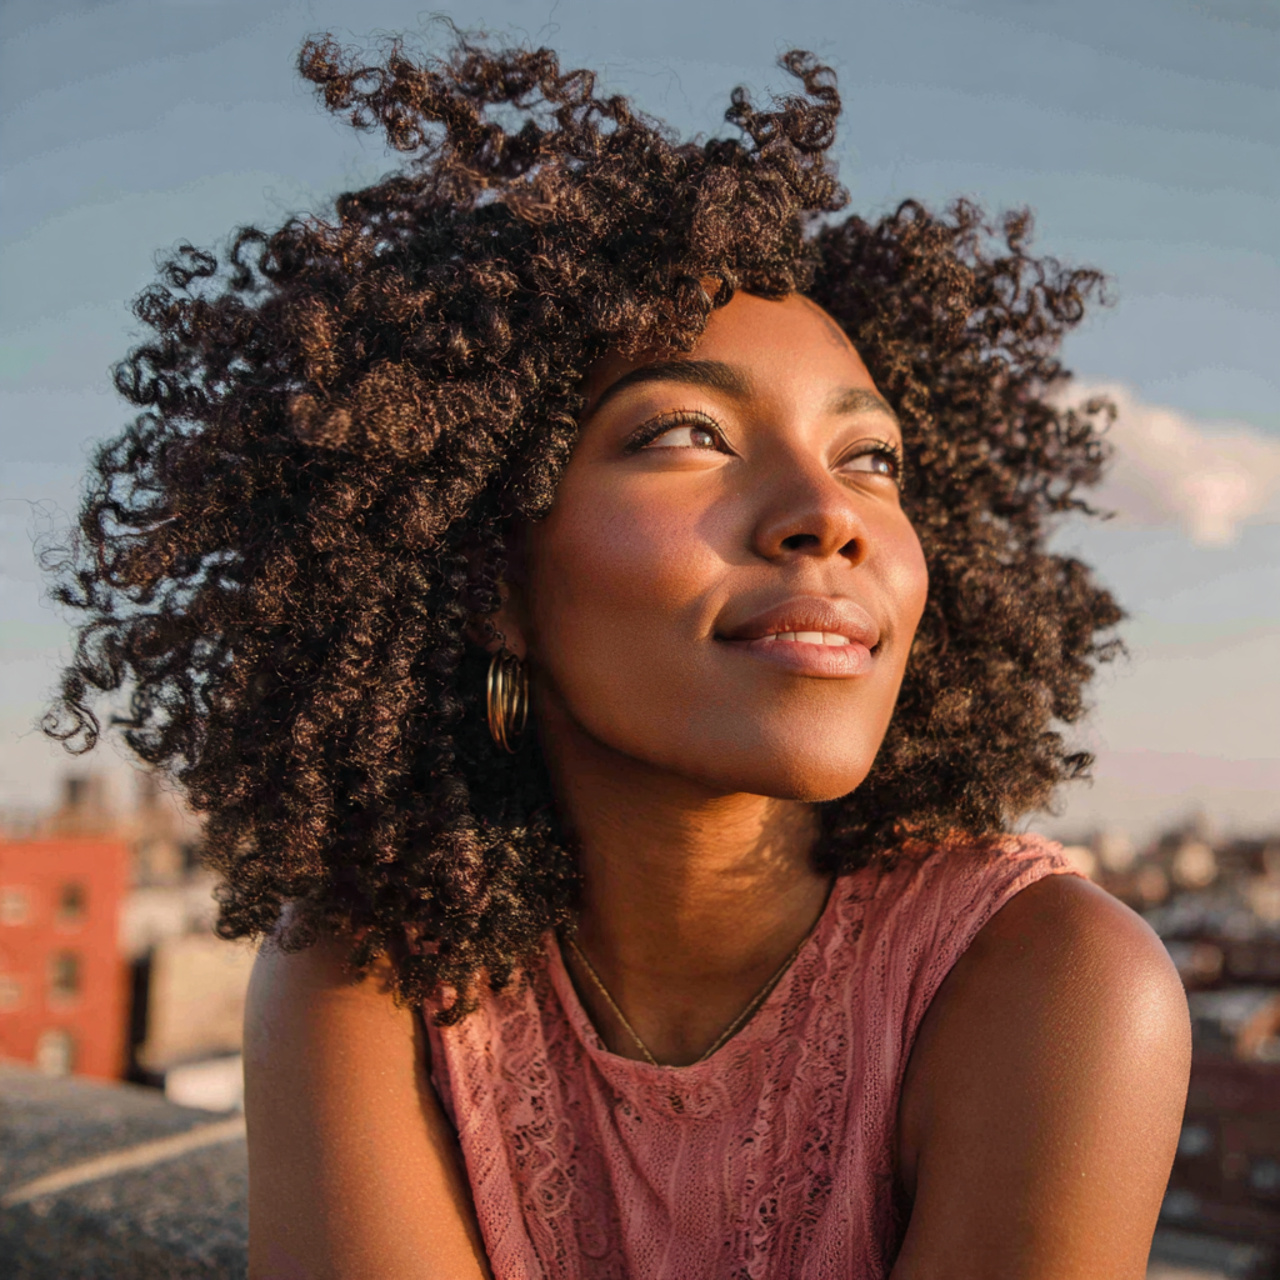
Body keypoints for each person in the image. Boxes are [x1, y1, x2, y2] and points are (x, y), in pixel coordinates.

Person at [47, 31, 1191, 1280]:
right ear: (488, 571)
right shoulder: (369, 972)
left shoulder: (1051, 985)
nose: (832, 510)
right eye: (688, 429)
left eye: (872, 457)